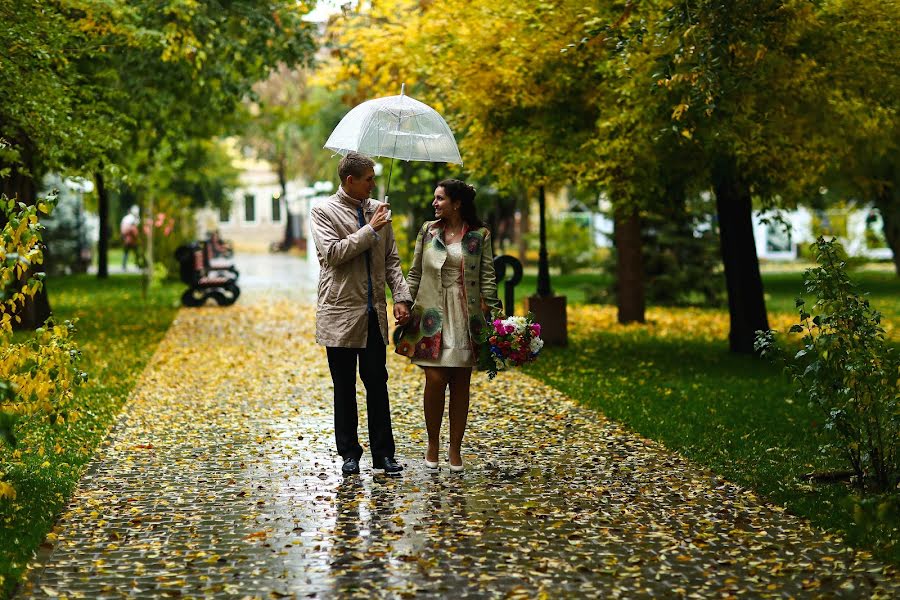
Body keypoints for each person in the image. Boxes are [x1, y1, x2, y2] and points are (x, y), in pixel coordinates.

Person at [310, 152, 412, 476]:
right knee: (344, 386)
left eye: (374, 178)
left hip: (373, 314)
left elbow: (392, 260)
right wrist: (370, 229)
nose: (373, 184)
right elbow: (334, 254)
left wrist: (401, 297)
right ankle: (349, 455)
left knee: (377, 383)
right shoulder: (323, 212)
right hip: (340, 313)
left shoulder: (378, 212)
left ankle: (384, 454)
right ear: (350, 180)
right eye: (368, 179)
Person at [394, 179, 502, 471]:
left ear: (457, 203)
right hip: (431, 315)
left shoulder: (480, 235)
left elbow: (488, 278)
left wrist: (496, 315)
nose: (435, 203)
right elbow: (415, 272)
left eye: (440, 198)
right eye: (434, 198)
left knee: (460, 384)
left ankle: (455, 449)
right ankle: (433, 442)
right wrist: (403, 301)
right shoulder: (428, 231)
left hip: (465, 316)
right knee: (435, 380)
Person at [120, 205, 140, 270]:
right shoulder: (131, 219)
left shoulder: (127, 218)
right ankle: (137, 264)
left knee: (130, 252)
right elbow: (132, 229)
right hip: (130, 238)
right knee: (132, 252)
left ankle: (136, 264)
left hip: (128, 238)